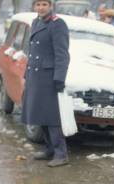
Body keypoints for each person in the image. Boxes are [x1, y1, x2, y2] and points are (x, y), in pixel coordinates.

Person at [22, 0, 71, 167]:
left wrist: (59, 78)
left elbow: (62, 54)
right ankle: (49, 149)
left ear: (51, 6)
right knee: (40, 115)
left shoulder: (57, 24)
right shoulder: (36, 22)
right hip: (36, 76)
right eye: (38, 4)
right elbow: (33, 51)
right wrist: (26, 72)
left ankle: (61, 154)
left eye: (44, 4)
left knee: (52, 118)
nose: (41, 7)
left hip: (49, 78)